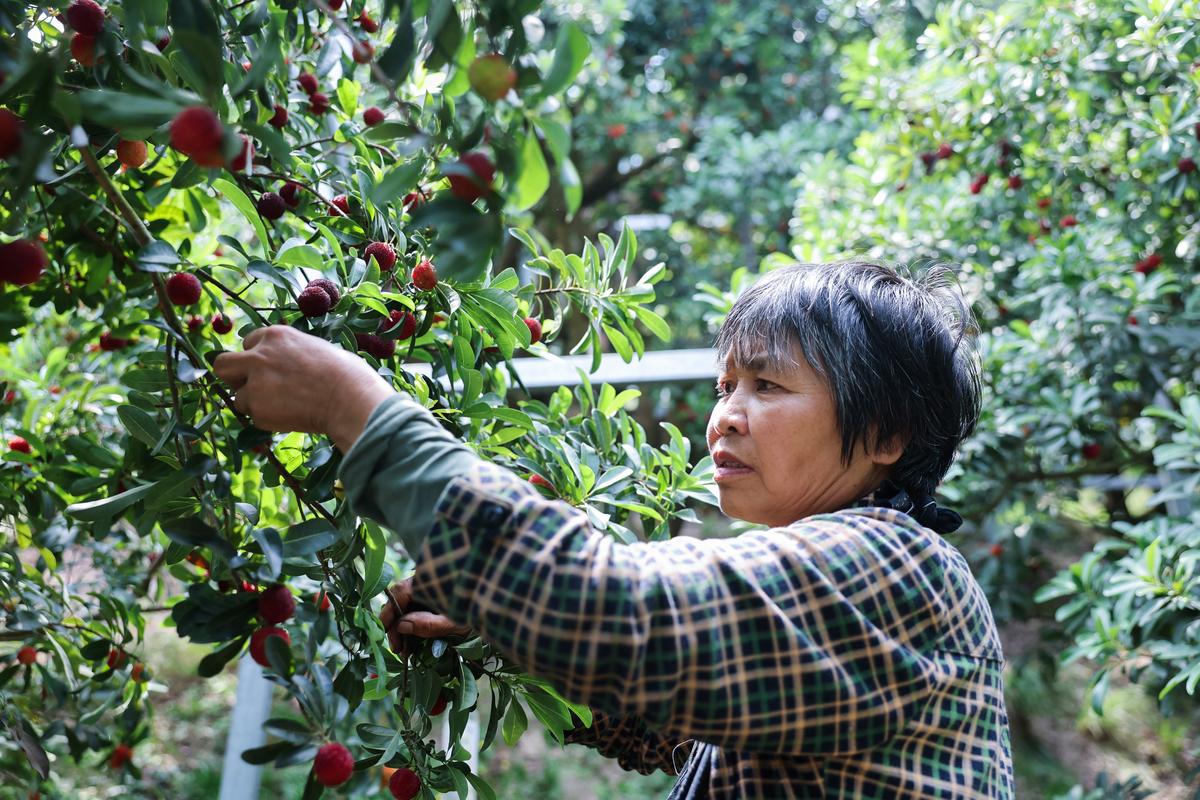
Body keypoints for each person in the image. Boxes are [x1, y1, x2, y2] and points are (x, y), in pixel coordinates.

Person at [213, 260, 1013, 798]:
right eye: (725, 384)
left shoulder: (892, 566)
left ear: (886, 437)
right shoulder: (842, 579)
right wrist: (505, 620)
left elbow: (620, 616)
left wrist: (354, 407)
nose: (724, 418)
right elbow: (677, 718)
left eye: (767, 385)